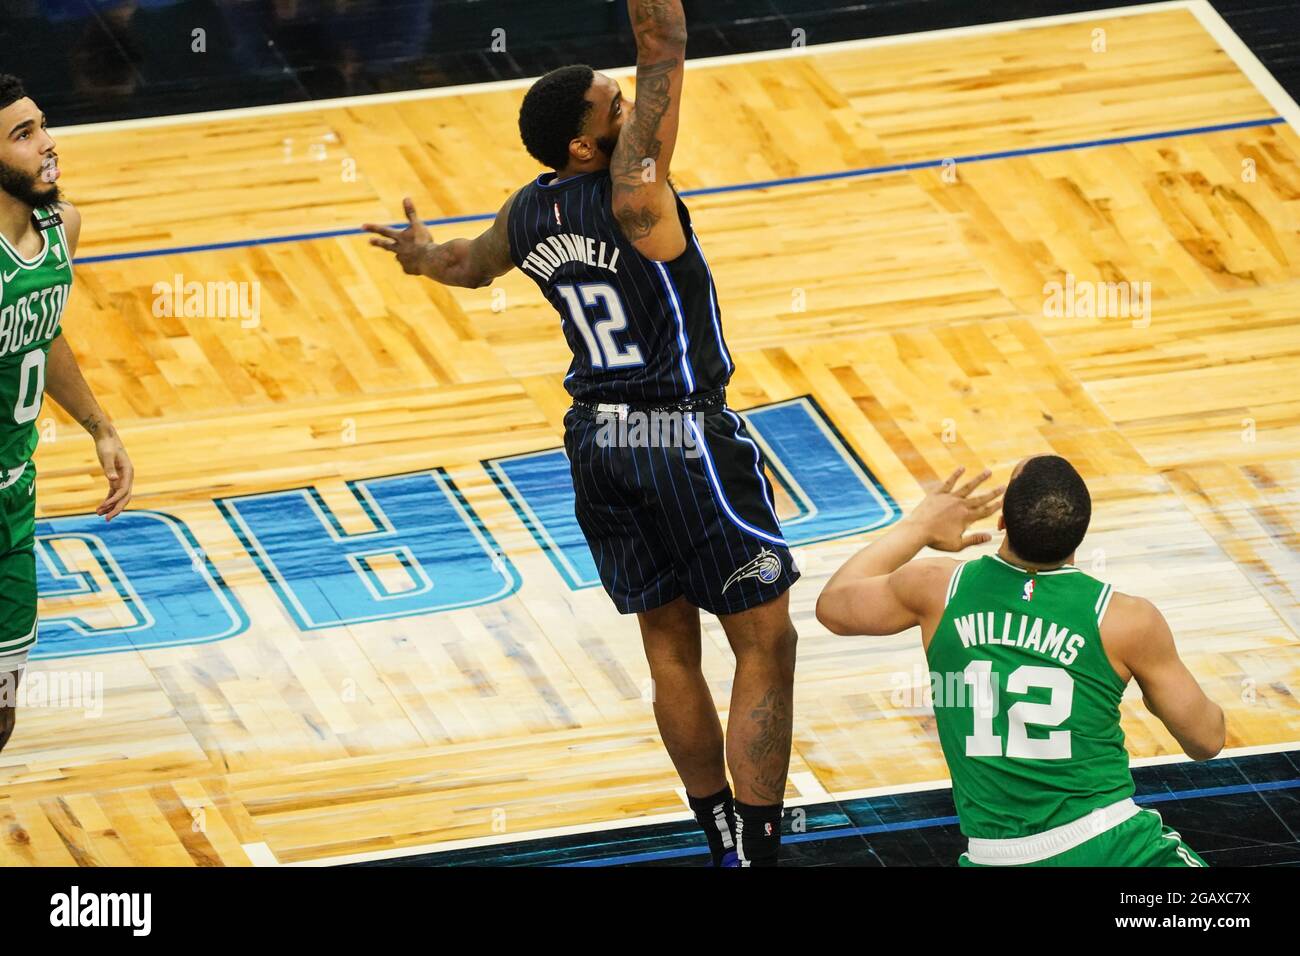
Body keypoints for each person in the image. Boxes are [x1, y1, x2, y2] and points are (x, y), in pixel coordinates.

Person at [364, 0, 799, 866]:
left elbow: (465, 267)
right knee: (766, 640)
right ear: (587, 146)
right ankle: (757, 847)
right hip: (680, 437)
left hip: (598, 445)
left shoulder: (530, 212)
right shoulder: (635, 188)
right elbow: (664, 41)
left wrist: (418, 256)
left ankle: (718, 836)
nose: (634, 110)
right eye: (615, 107)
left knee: (668, 641)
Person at [816, 456, 1224, 866]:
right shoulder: (1125, 620)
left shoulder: (936, 588)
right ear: (1079, 536)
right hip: (1110, 845)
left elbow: (834, 605)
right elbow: (1206, 741)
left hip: (994, 856)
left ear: (1001, 523)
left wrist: (918, 527)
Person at [0, 74, 134, 752]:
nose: (48, 145)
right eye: (24, 135)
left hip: (14, 495)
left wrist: (100, 426)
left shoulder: (61, 227)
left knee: (2, 708)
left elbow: (43, 332)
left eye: (43, 125)